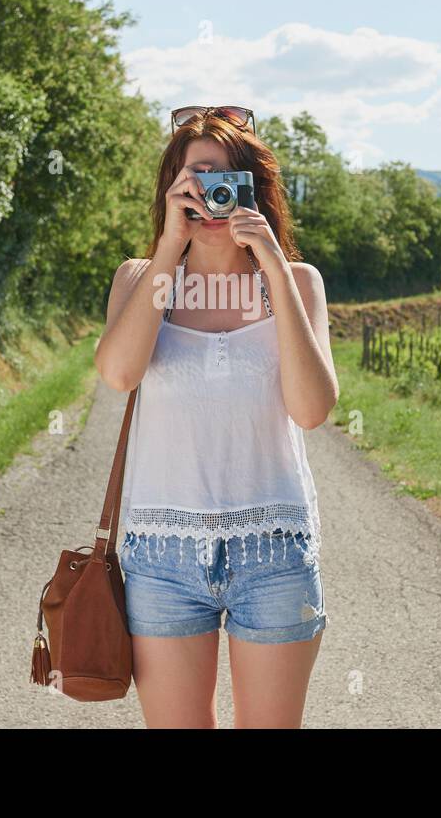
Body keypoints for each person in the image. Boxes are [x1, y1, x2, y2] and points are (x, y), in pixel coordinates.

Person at [94, 105, 338, 728]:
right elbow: (119, 374)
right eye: (194, 177)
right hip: (162, 555)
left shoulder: (299, 282)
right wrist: (170, 247)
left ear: (253, 190)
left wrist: (275, 268)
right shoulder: (140, 279)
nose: (210, 194)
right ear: (172, 187)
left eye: (225, 179)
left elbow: (311, 410)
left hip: (274, 551)